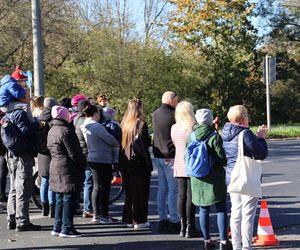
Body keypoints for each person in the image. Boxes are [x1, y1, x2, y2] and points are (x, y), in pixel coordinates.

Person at [222, 105, 268, 250]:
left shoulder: (224, 132)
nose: (248, 118)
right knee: (247, 215)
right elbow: (261, 154)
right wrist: (261, 138)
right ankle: (246, 247)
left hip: (232, 177)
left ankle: (236, 246)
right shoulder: (245, 134)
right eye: (247, 115)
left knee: (235, 214)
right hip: (246, 177)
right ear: (242, 119)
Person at [189, 109, 232, 250]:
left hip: (197, 177)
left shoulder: (191, 136)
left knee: (203, 209)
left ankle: (207, 241)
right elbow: (221, 159)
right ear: (211, 120)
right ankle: (224, 241)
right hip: (214, 178)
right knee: (221, 208)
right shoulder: (214, 136)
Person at [5, 91, 41, 231]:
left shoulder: (9, 111)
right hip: (21, 155)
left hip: (11, 154)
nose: (29, 98)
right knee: (23, 188)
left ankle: (12, 218)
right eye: (26, 95)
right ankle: (23, 221)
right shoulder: (20, 112)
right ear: (20, 98)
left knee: (14, 187)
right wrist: (36, 124)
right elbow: (25, 130)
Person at [47, 105, 86, 238]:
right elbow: (75, 153)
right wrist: (82, 163)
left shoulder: (51, 130)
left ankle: (57, 227)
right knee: (69, 198)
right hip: (67, 168)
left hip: (55, 166)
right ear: (64, 116)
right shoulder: (66, 131)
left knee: (59, 198)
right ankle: (67, 228)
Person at [81, 105, 119, 224]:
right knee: (105, 188)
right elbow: (111, 141)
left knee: (96, 187)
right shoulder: (97, 126)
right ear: (96, 114)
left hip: (92, 157)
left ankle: (96, 215)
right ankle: (104, 215)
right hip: (102, 158)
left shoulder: (85, 126)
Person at [120, 99, 152, 229]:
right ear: (139, 108)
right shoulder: (141, 124)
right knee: (140, 192)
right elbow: (144, 144)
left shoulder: (123, 124)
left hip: (125, 161)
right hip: (138, 162)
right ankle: (139, 220)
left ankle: (129, 219)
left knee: (129, 192)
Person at [170, 101, 200, 238]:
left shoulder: (174, 127)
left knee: (181, 195)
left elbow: (176, 144)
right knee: (191, 196)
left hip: (179, 163)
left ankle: (182, 226)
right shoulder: (194, 128)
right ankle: (190, 226)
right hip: (192, 164)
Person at [152, 91, 180, 233]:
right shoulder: (174, 115)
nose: (177, 102)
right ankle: (174, 219)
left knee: (162, 189)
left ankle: (162, 218)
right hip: (170, 154)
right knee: (173, 189)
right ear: (171, 100)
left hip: (158, 154)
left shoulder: (155, 114)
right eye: (176, 99)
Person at [37, 97, 58, 218]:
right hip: (51, 152)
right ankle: (52, 209)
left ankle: (44, 208)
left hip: (41, 153)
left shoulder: (39, 118)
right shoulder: (53, 119)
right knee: (51, 181)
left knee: (44, 181)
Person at [73, 99, 93, 218]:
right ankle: (88, 208)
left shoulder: (76, 118)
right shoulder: (84, 120)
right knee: (88, 182)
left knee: (82, 181)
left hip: (80, 151)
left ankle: (80, 205)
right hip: (86, 151)